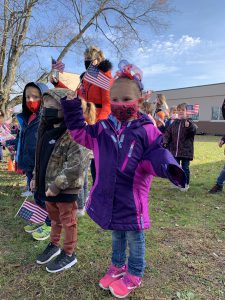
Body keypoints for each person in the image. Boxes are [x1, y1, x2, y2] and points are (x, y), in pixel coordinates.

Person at [61, 60, 185, 298]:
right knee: (116, 232)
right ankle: (117, 267)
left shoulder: (146, 129)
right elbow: (79, 132)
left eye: (126, 99)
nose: (120, 104)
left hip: (132, 197)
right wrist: (71, 108)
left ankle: (135, 273)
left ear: (139, 100)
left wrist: (168, 167)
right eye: (114, 99)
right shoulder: (102, 127)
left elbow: (154, 155)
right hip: (109, 195)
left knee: (134, 236)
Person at [31, 88, 90, 272]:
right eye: (45, 105)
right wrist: (35, 177)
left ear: (64, 108)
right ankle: (54, 245)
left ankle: (69, 252)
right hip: (48, 187)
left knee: (68, 221)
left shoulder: (76, 134)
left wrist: (57, 186)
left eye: (52, 105)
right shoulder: (45, 130)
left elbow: (76, 165)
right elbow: (39, 158)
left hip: (65, 189)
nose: (46, 109)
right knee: (54, 219)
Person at [52, 45, 113, 184]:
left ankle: (101, 190)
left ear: (98, 60)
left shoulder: (105, 78)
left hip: (99, 124)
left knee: (99, 162)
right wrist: (57, 83)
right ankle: (88, 194)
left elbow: (107, 105)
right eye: (85, 59)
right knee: (84, 161)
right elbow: (75, 96)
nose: (87, 62)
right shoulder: (85, 79)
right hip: (84, 123)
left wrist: (99, 124)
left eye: (89, 59)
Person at [17, 82, 48, 197]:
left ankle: (36, 193)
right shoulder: (26, 117)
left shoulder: (46, 118)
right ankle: (31, 190)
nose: (30, 100)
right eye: (27, 97)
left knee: (38, 180)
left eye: (35, 97)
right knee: (29, 174)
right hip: (27, 154)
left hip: (39, 157)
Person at [163, 103, 198, 191]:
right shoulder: (174, 122)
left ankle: (185, 184)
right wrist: (165, 142)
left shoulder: (189, 122)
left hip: (186, 150)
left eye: (183, 110)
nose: (181, 112)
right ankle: (177, 182)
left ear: (187, 112)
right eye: (179, 110)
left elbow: (194, 131)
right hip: (175, 150)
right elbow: (168, 133)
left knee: (185, 168)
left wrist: (189, 127)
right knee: (175, 167)